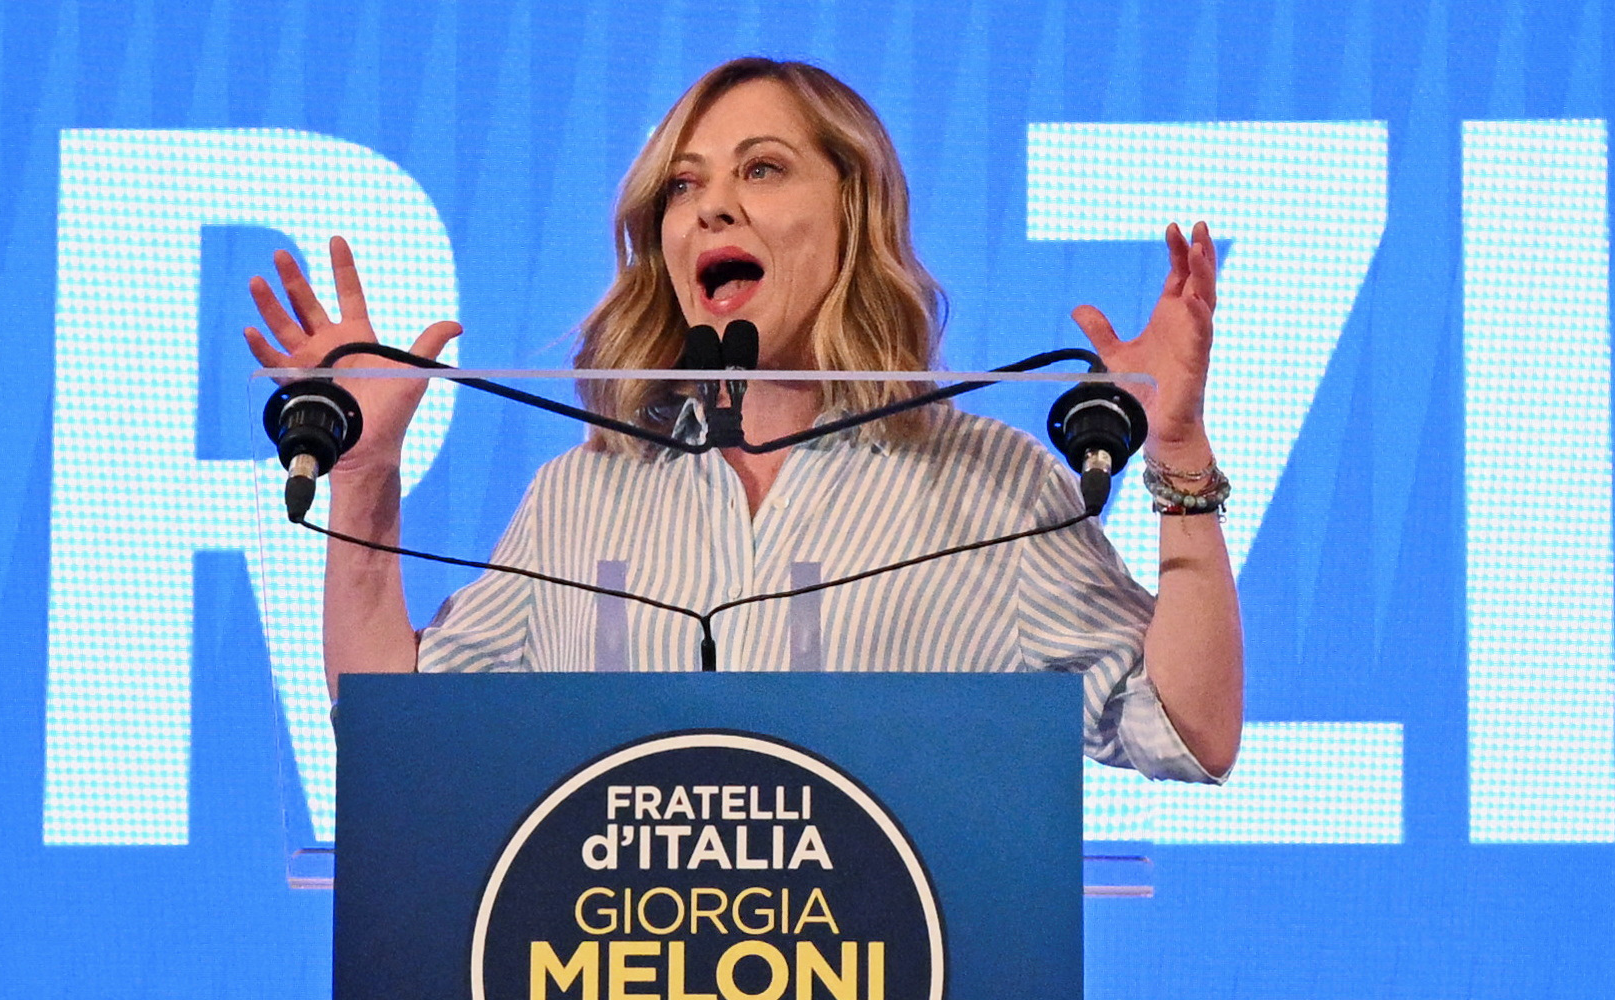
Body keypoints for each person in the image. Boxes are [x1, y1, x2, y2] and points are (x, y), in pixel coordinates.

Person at [244, 56, 1242, 782]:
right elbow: (399, 738)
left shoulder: (988, 485)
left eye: (762, 168)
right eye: (685, 185)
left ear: (855, 212)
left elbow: (1185, 728)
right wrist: (366, 476)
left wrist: (1181, 459)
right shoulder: (582, 498)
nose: (711, 207)